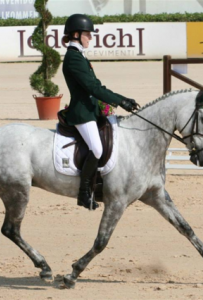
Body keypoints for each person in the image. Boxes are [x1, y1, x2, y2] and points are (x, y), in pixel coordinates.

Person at [62, 14, 139, 210]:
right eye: (88, 34)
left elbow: (96, 85)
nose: (91, 38)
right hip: (82, 112)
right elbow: (92, 88)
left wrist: (120, 99)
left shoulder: (79, 56)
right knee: (96, 148)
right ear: (76, 34)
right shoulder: (73, 58)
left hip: (91, 110)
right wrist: (120, 100)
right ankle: (84, 192)